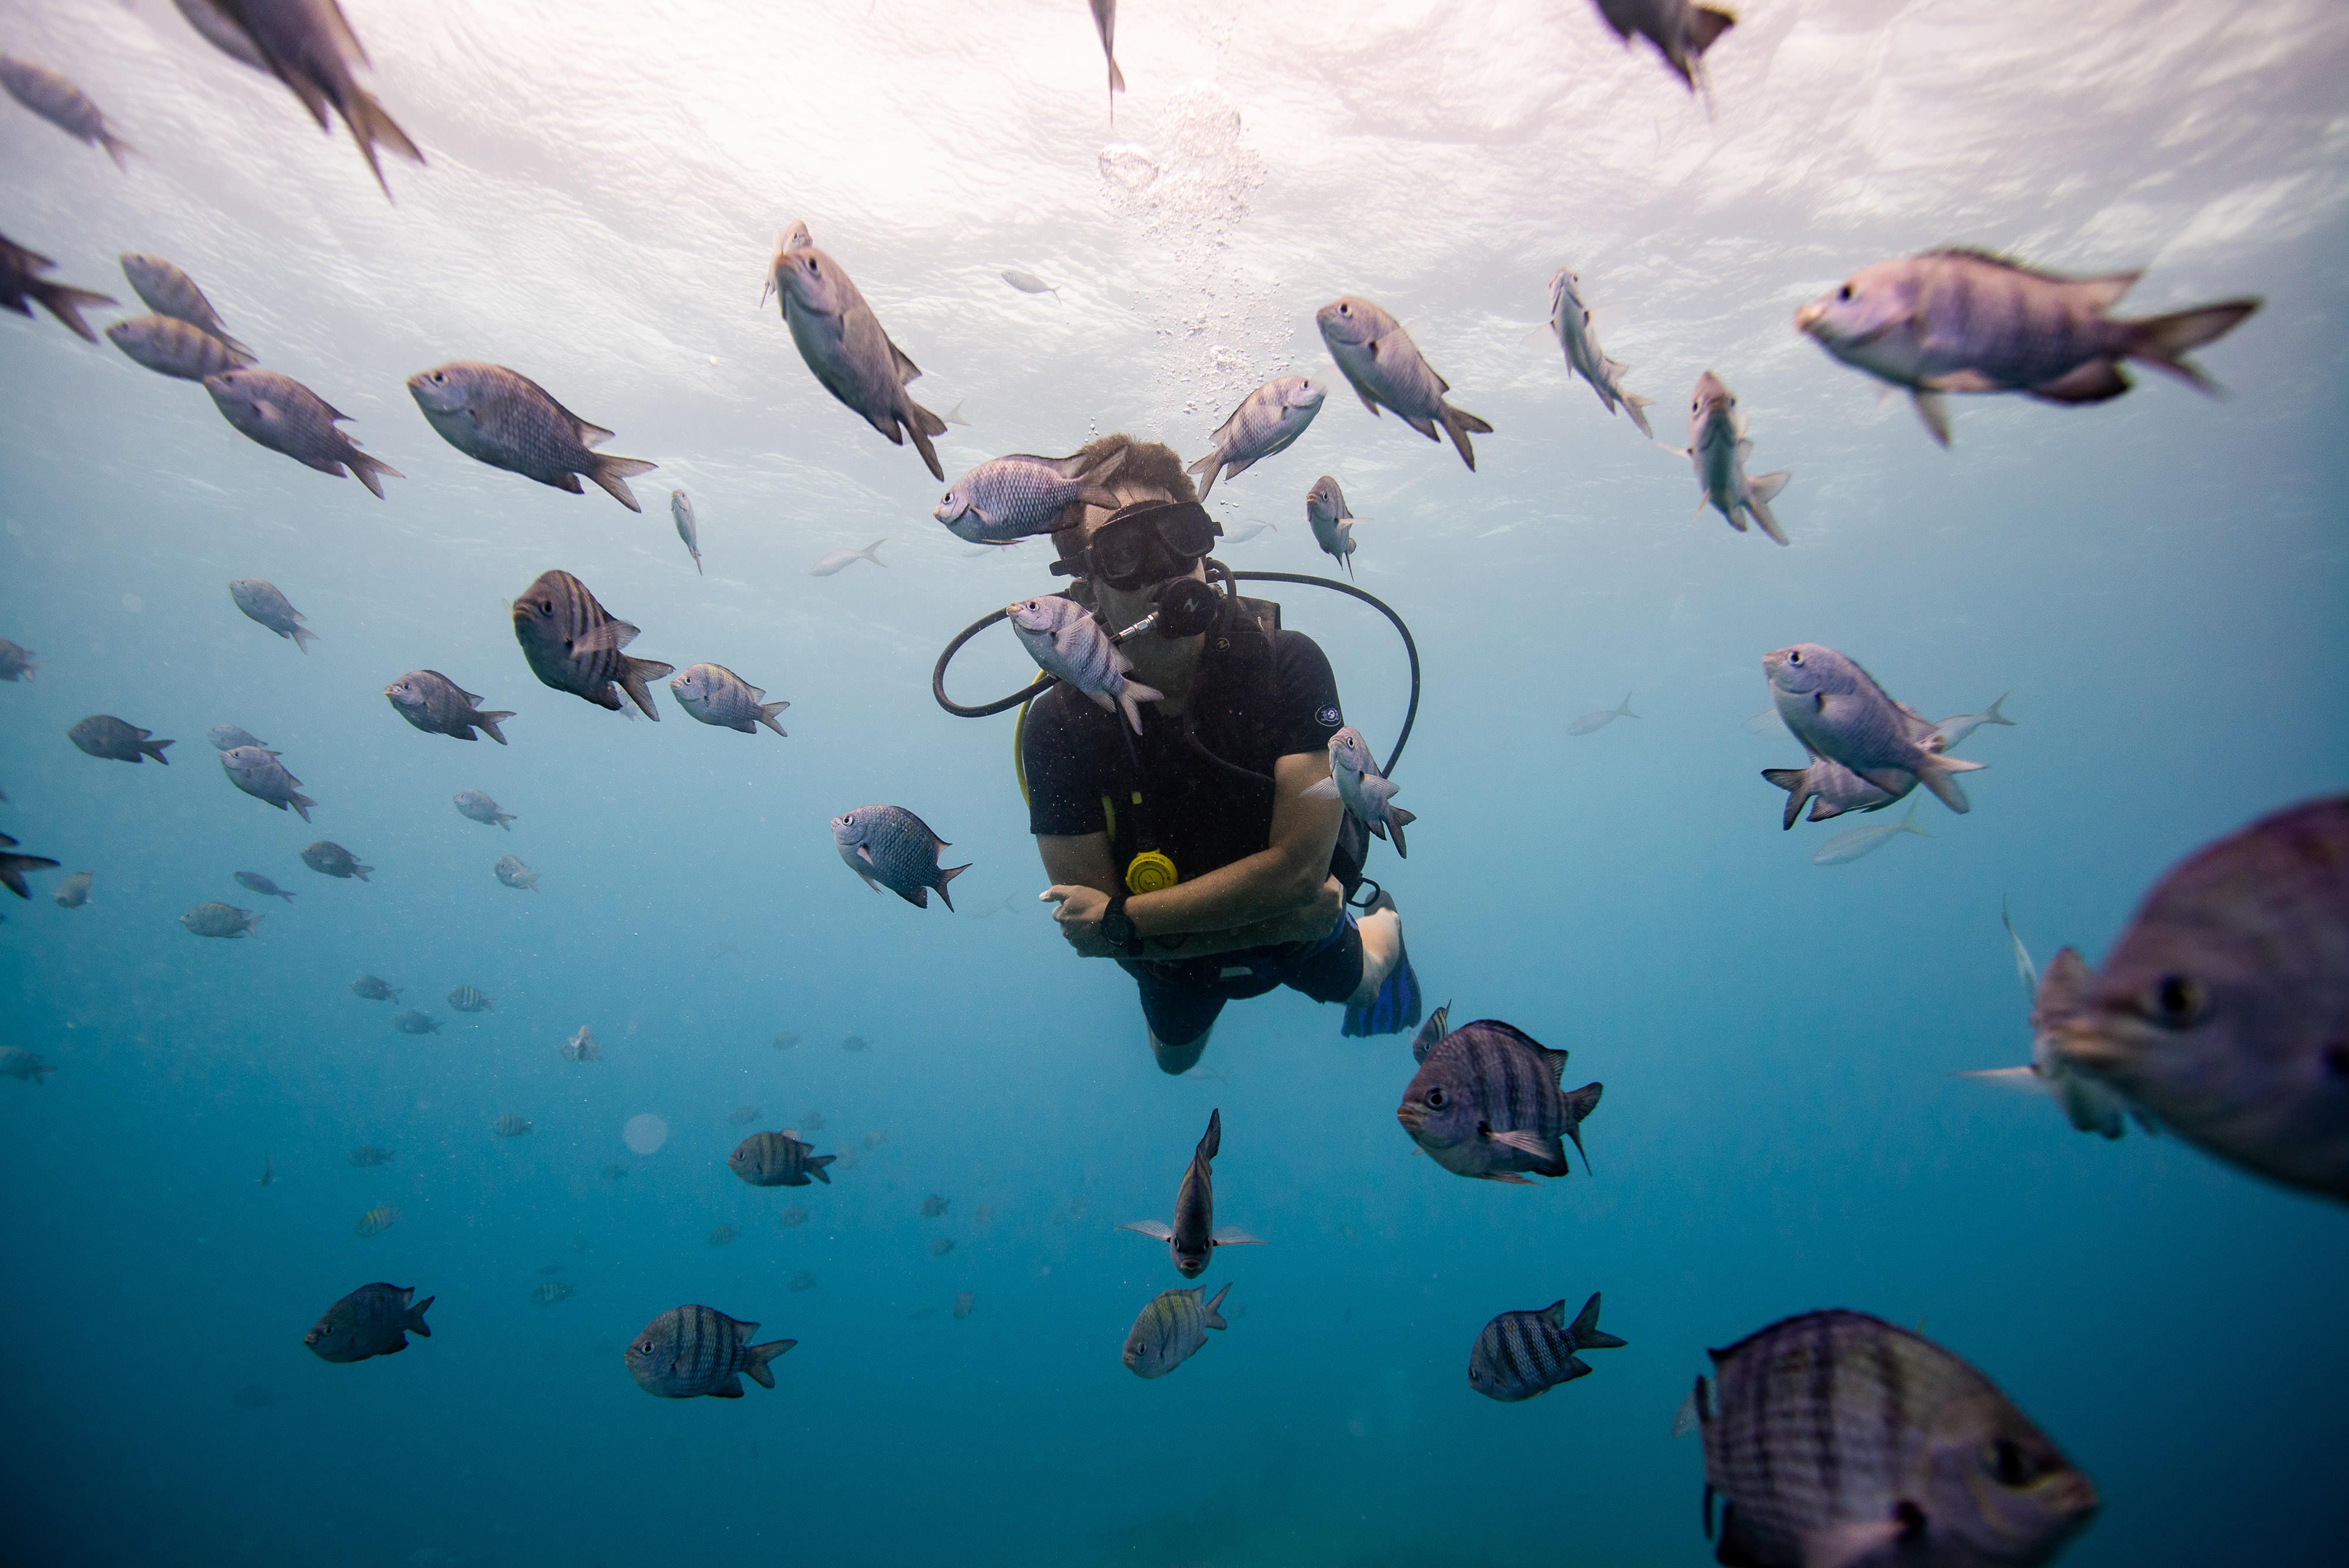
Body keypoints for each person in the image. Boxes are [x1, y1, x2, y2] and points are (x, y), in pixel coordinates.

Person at [1022, 434, 1421, 1074]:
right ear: (1086, 582)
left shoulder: (1287, 662)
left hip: (1203, 938)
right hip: (1189, 956)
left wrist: (1126, 922)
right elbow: (1088, 927)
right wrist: (1278, 916)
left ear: (1204, 542)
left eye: (1177, 535)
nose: (1162, 570)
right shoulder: (1056, 725)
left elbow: (1110, 924)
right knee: (1172, 1064)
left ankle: (1385, 928)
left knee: (1368, 979)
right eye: (1125, 551)